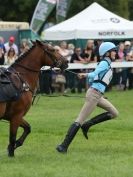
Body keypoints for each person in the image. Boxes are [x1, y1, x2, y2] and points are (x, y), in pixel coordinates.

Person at [56, 42, 119, 153]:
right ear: (107, 53)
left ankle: (87, 125)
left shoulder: (107, 63)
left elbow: (93, 78)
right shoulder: (105, 63)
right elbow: (95, 74)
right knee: (79, 119)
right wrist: (86, 75)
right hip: (94, 95)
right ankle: (63, 146)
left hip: (97, 95)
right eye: (114, 50)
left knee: (114, 113)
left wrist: (88, 77)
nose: (116, 52)